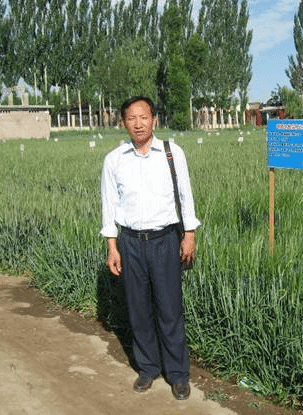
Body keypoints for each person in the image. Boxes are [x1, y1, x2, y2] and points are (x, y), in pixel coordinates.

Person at [100, 96, 200, 400]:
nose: (138, 124)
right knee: (138, 309)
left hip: (165, 241)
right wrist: (112, 246)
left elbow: (185, 196)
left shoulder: (171, 153)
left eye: (144, 117)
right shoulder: (114, 160)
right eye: (131, 118)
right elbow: (109, 206)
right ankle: (148, 368)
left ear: (154, 120)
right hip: (130, 243)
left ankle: (178, 374)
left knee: (170, 309)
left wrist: (189, 235)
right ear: (124, 123)